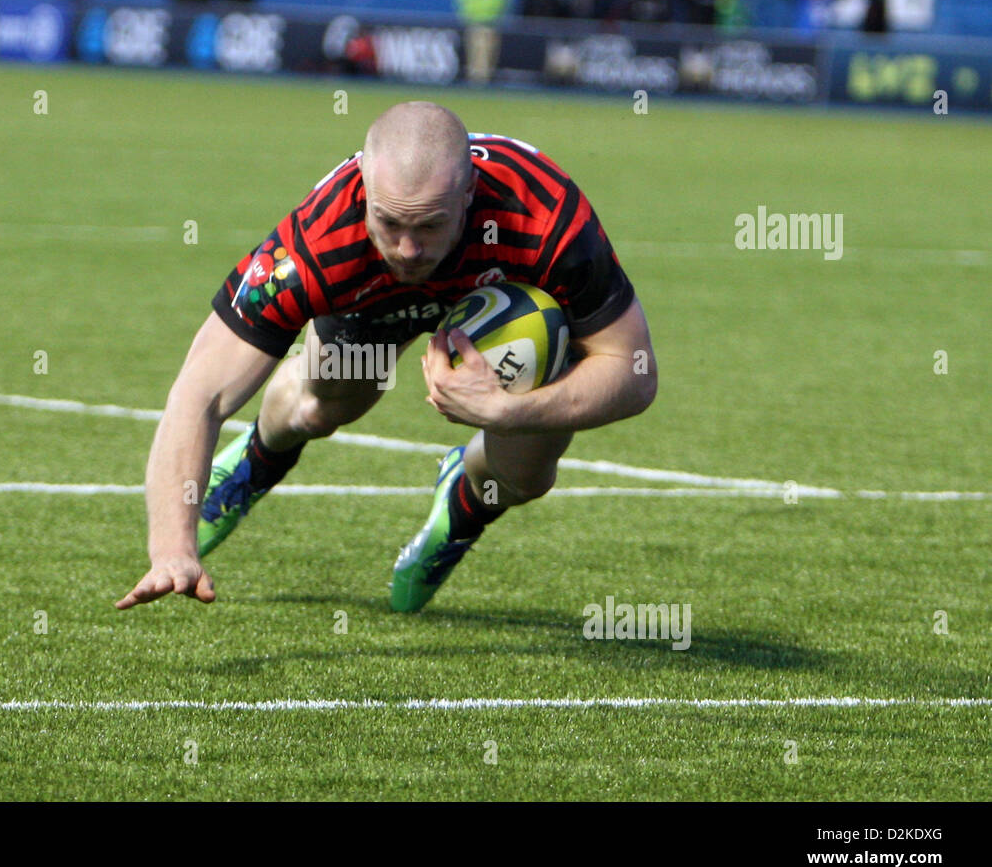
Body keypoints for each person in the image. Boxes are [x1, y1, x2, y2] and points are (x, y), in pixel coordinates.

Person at [118, 102, 656, 614]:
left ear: (469, 192)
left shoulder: (544, 216)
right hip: (372, 300)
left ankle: (462, 508)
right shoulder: (315, 243)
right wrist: (172, 548)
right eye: (390, 222)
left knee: (524, 478)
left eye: (428, 225)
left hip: (509, 316)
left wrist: (506, 412)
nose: (406, 249)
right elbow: (198, 393)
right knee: (322, 408)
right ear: (364, 188)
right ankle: (256, 463)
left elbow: (633, 369)